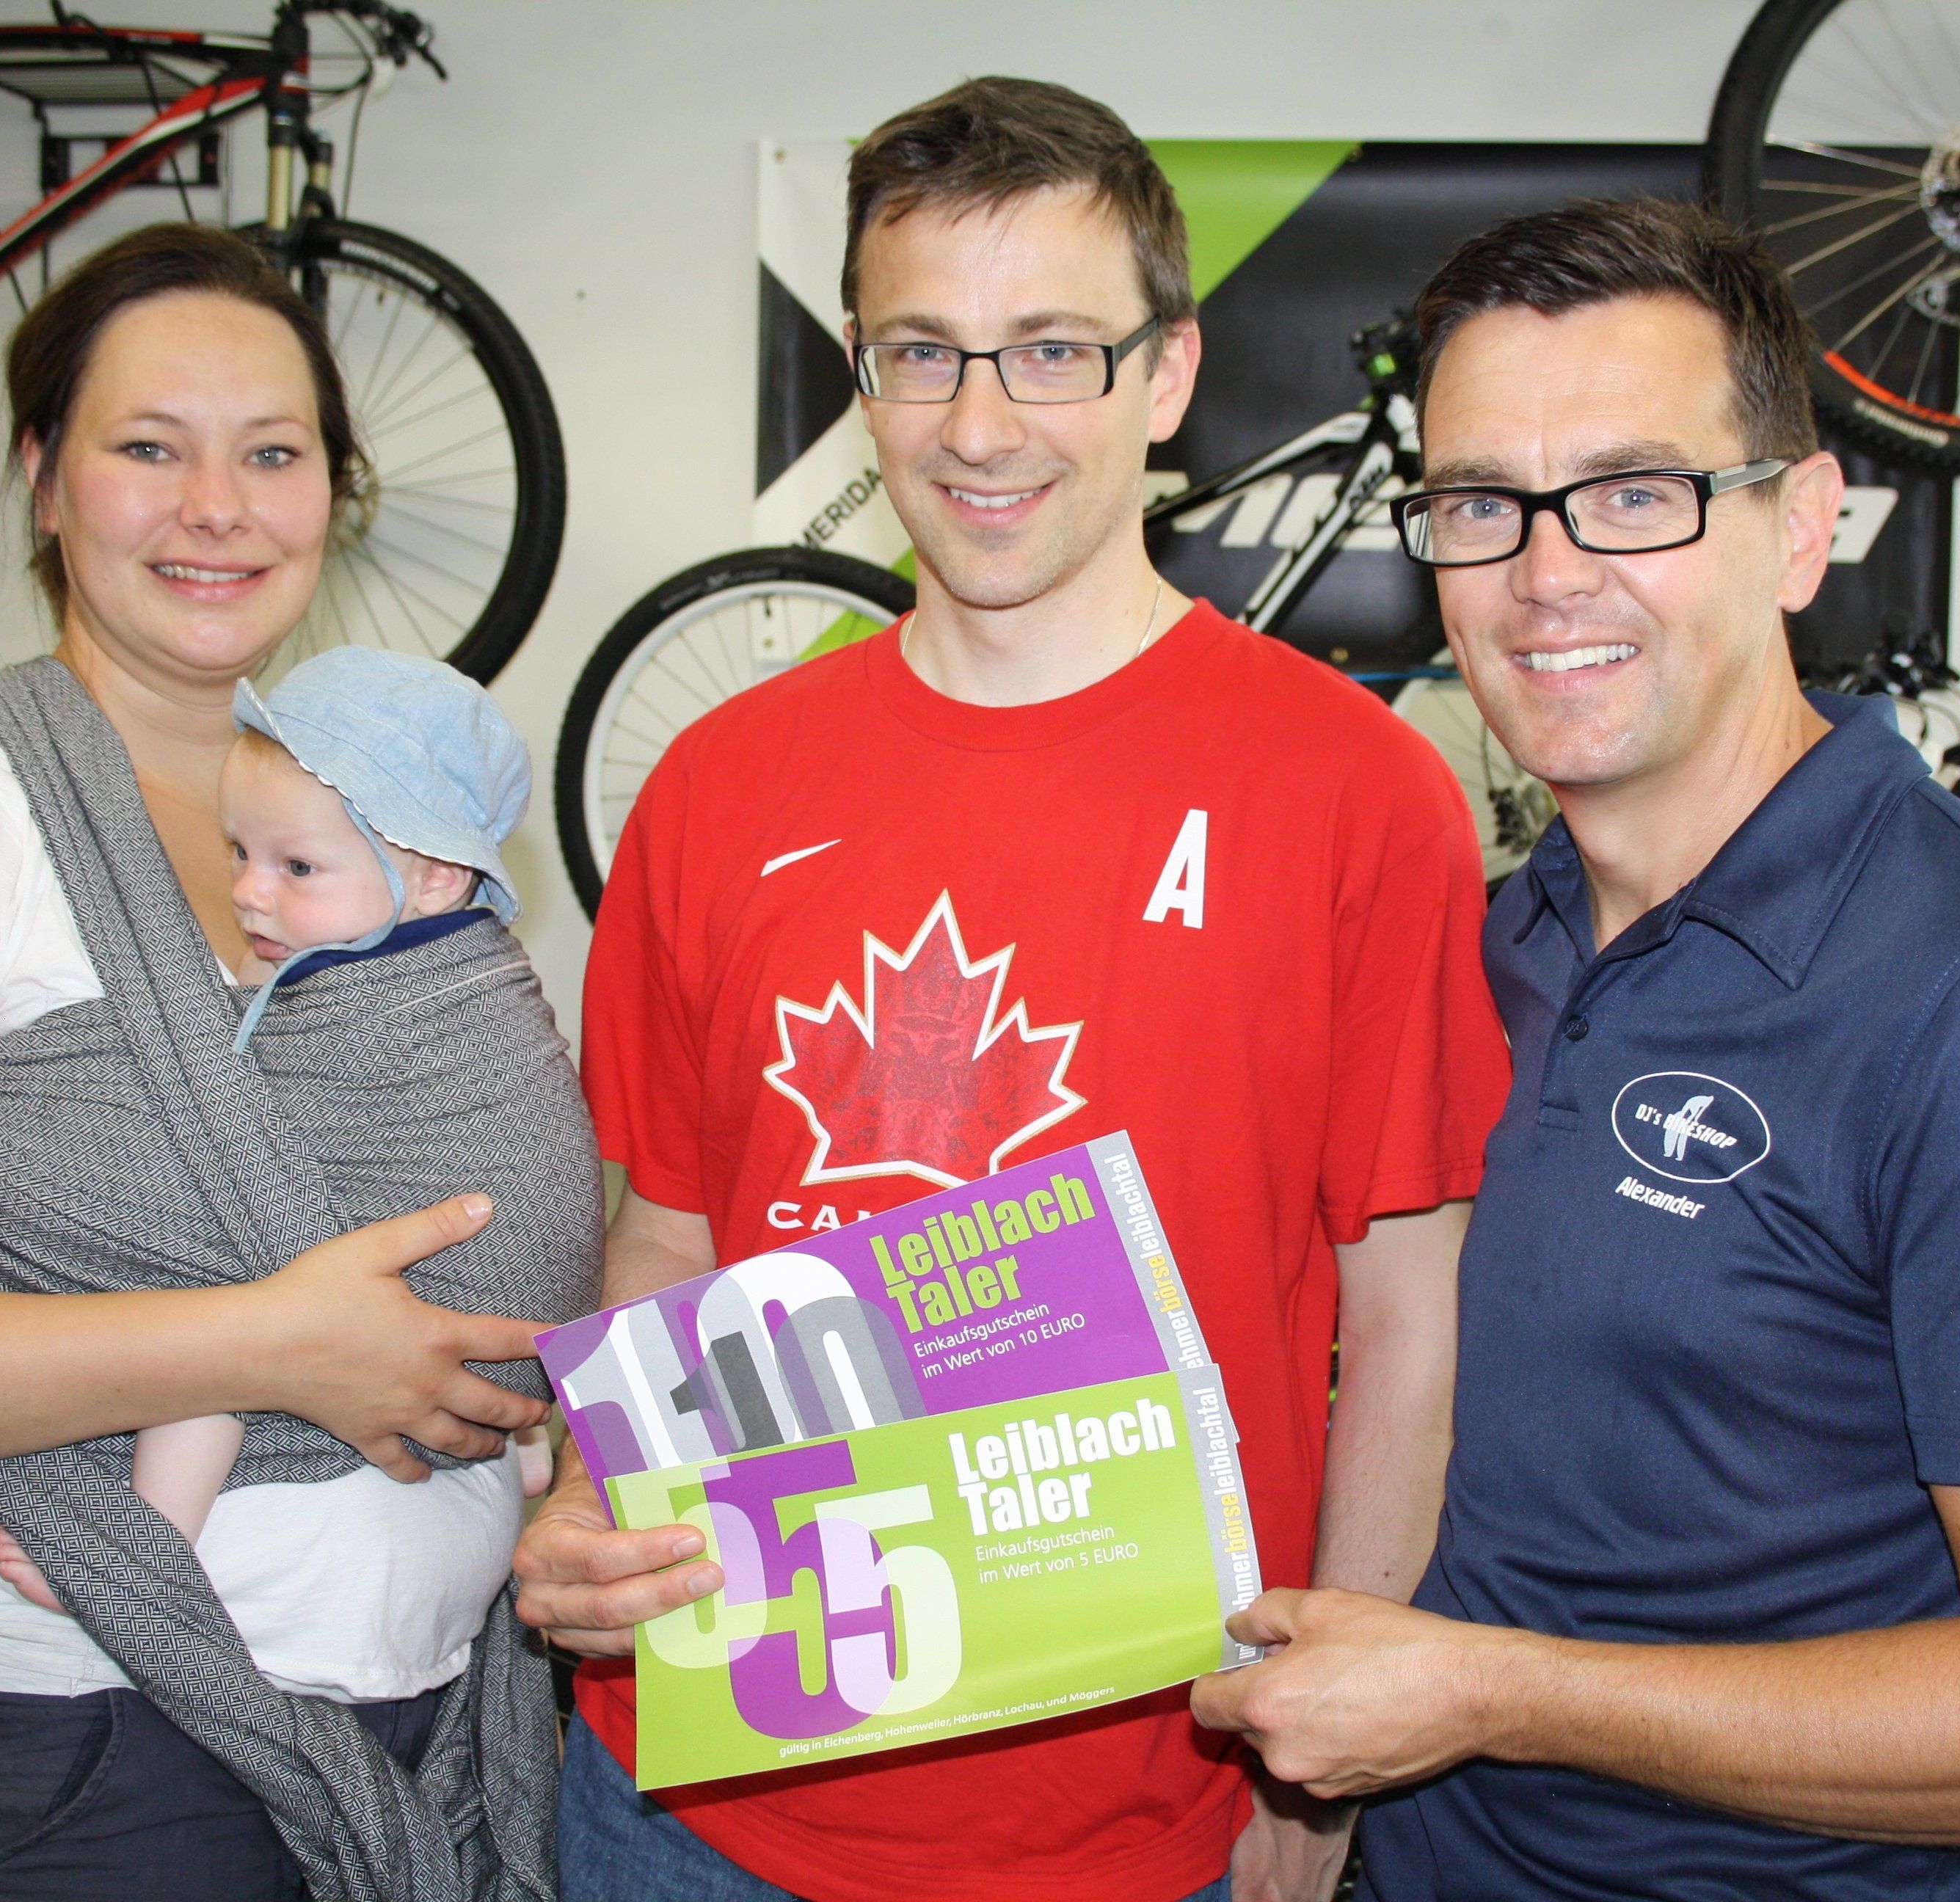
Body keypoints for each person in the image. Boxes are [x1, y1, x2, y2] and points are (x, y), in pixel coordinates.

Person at [513, 76, 1512, 1902]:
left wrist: (1318, 1770)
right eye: (922, 352)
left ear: (1169, 374)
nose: (981, 424)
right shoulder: (716, 786)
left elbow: (1408, 1324)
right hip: (696, 1810)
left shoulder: (1354, 789)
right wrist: (589, 1508)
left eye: (1053, 350)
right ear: (860, 372)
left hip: (1138, 1833)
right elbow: (662, 1241)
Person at [1190, 198, 1960, 1901]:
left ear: (1801, 527)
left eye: (1632, 493)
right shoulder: (1504, 936)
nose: (1543, 575)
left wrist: (1492, 1693)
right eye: (1477, 504)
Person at [0, 225, 590, 1902]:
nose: (217, 506)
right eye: (147, 448)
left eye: (273, 454)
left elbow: (484, 1199)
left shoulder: (387, 839)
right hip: (74, 1740)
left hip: (433, 1719)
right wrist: (277, 1345)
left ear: (333, 493)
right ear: (42, 480)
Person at [0, 647, 569, 1614]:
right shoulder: (478, 967)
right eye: (238, 852)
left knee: (210, 1317)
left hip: (450, 1331)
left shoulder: (394, 1005)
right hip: (517, 1345)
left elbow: (238, 1136)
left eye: (296, 865)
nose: (251, 892)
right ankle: (518, 1448)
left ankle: (144, 1549)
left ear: (428, 877)